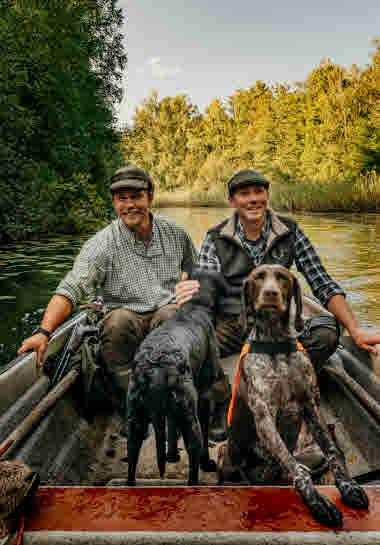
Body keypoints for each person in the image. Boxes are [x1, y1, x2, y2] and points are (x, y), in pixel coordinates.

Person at [176, 169, 380, 433]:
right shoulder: (216, 237)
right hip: (235, 324)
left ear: (267, 195)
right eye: (244, 194)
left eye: (258, 192)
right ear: (232, 201)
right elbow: (206, 286)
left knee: (328, 334)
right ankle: (222, 400)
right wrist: (191, 294)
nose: (253, 199)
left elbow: (322, 282)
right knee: (195, 343)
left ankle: (290, 389)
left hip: (281, 328)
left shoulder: (290, 231)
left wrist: (354, 328)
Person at [18, 165, 198, 415]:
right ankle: (129, 399)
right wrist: (43, 332)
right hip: (125, 321)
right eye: (122, 199)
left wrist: (194, 293)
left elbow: (197, 270)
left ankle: (171, 394)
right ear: (114, 202)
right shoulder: (102, 244)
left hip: (163, 314)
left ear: (150, 197)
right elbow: (71, 288)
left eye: (136, 197)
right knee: (118, 321)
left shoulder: (176, 234)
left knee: (173, 316)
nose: (129, 205)